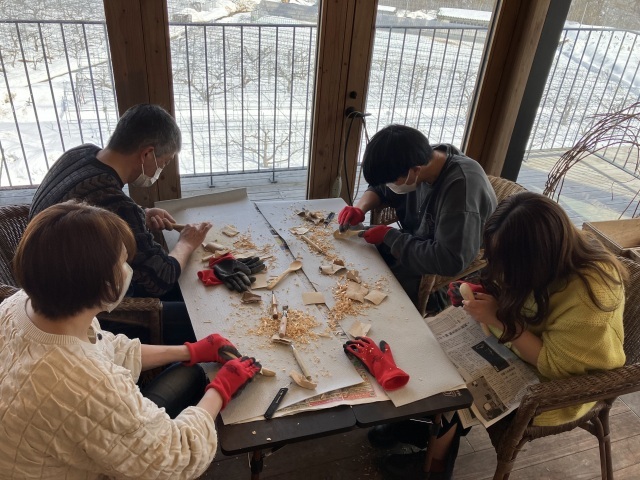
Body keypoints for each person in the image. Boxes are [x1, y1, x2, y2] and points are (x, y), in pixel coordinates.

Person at [370, 192, 627, 479]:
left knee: (460, 382)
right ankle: (424, 427)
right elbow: (517, 293)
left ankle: (434, 466)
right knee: (433, 347)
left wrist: (497, 319)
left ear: (535, 259)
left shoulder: (591, 292)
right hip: (525, 345)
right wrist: (482, 293)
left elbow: (556, 365)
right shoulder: (545, 258)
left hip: (564, 384)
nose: (500, 270)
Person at [0, 202, 261, 479]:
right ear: (98, 283)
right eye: (122, 262)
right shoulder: (86, 383)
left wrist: (190, 351)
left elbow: (106, 346)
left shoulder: (19, 304)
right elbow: (175, 459)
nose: (127, 269)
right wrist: (221, 389)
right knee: (195, 390)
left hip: (43, 444)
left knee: (191, 372)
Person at [29, 104, 211, 344]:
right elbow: (162, 278)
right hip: (80, 309)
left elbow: (92, 210)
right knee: (201, 314)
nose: (161, 170)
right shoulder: (114, 202)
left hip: (44, 277)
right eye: (163, 163)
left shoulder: (79, 153)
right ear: (147, 154)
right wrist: (187, 243)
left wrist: (140, 213)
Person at [338, 124, 497, 310]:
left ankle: (432, 305)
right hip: (415, 239)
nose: (389, 185)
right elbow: (379, 188)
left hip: (442, 259)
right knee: (353, 257)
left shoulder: (461, 189)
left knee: (376, 293)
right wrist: (360, 208)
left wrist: (389, 236)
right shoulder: (417, 158)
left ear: (415, 170)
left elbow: (450, 260)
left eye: (391, 181)